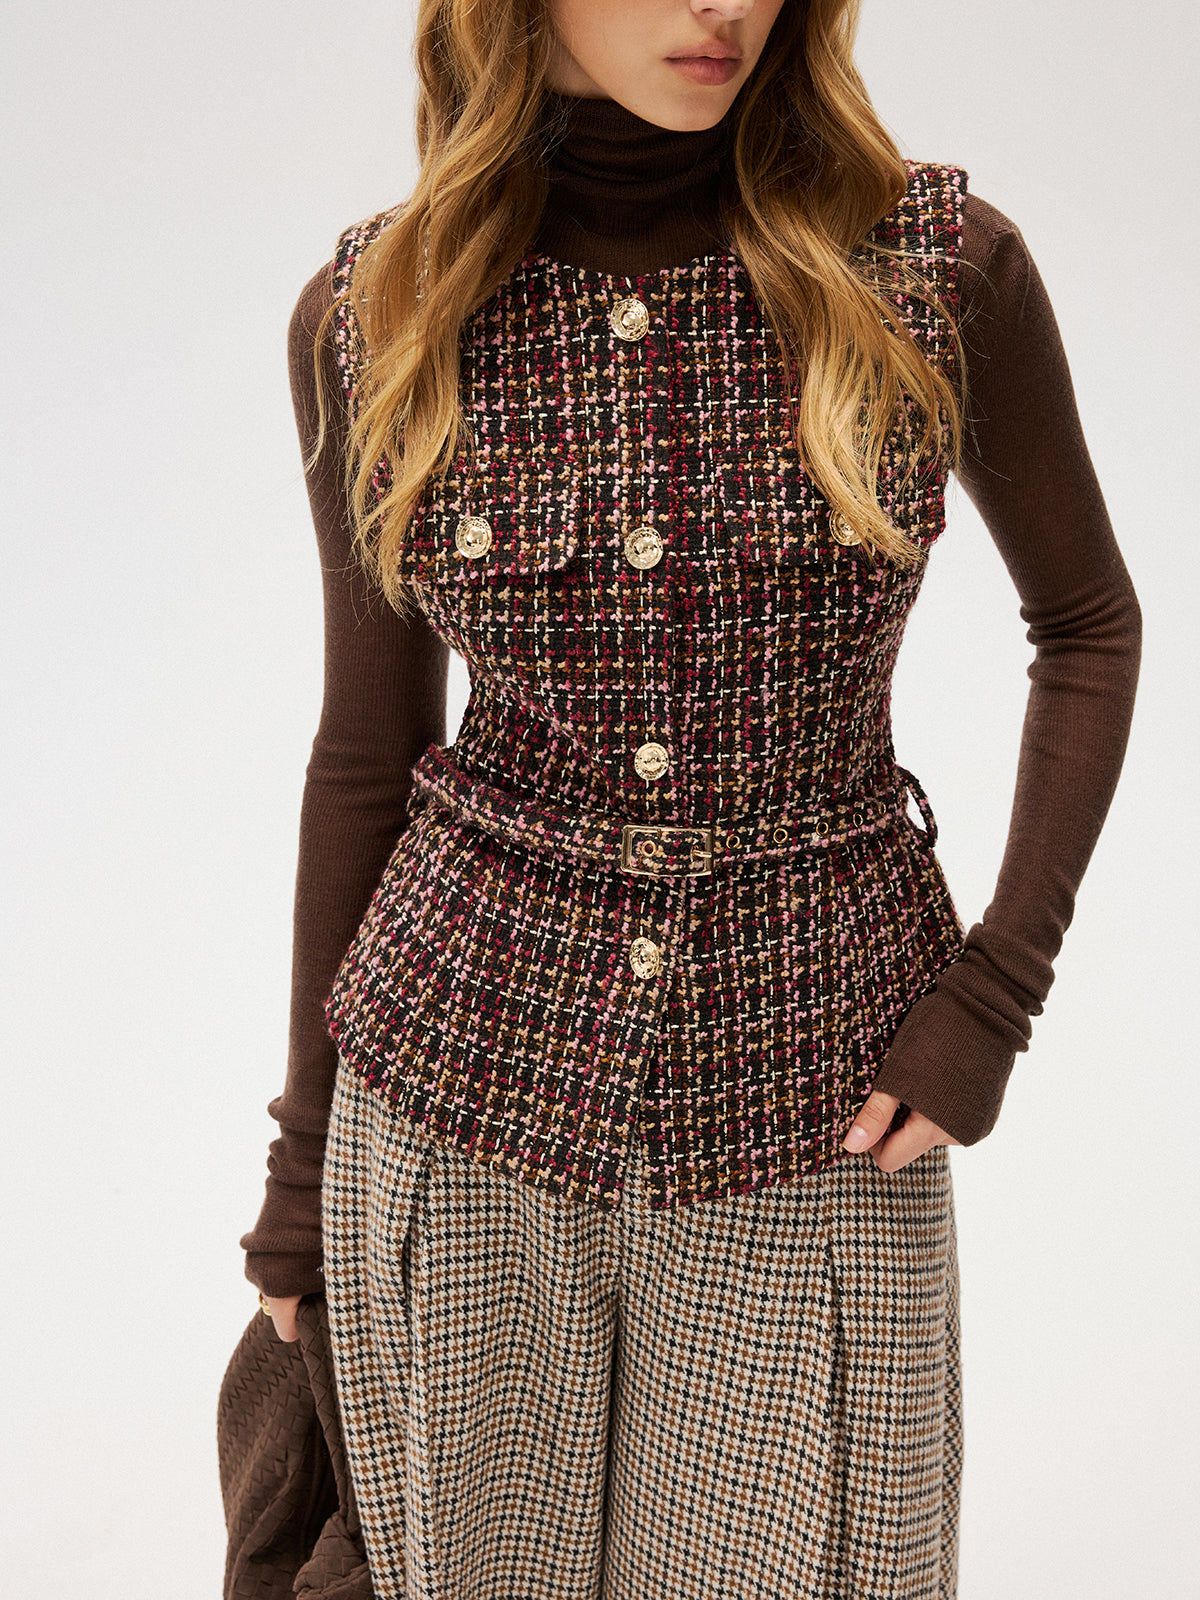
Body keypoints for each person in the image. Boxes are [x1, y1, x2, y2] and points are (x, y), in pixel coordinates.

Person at [238, 0, 1141, 1594]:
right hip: (456, 1096)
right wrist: (298, 1177)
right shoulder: (376, 311)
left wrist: (996, 990)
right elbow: (367, 752)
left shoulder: (935, 269)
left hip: (813, 1100)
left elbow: (1088, 626)